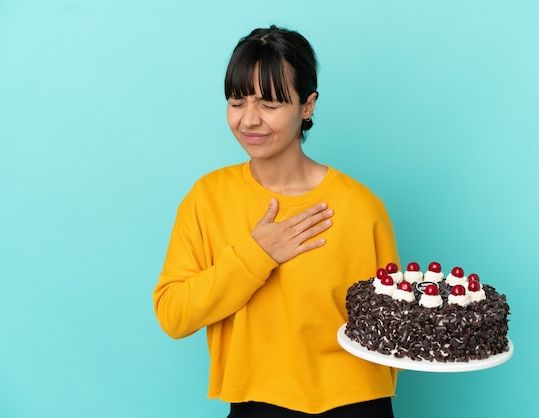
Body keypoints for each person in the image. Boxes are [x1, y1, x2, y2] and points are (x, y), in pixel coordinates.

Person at [153, 25, 399, 418]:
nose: (249, 120)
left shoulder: (361, 207)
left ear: (307, 105)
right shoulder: (208, 198)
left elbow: (390, 326)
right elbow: (173, 314)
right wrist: (256, 254)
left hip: (356, 402)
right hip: (255, 401)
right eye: (237, 102)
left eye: (269, 104)